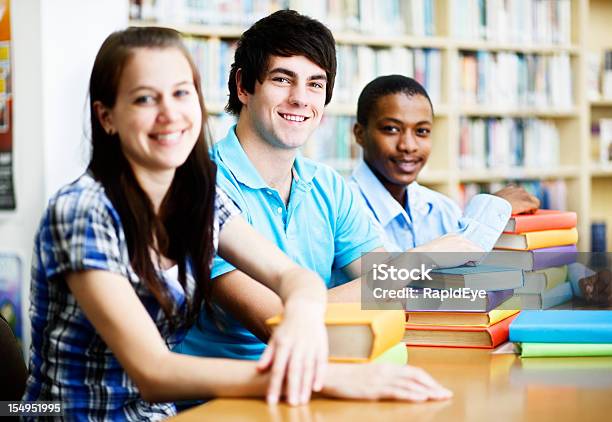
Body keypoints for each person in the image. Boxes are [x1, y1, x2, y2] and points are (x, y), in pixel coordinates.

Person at [22, 27, 451, 420]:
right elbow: (153, 372)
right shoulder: (82, 211)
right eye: (145, 99)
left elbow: (294, 279)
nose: (170, 114)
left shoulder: (195, 197)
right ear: (107, 117)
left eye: (181, 94)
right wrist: (329, 376)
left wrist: (303, 310)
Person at [176, 10, 481, 366]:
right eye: (282, 79)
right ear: (244, 86)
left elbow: (387, 290)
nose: (300, 98)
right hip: (221, 398)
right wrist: (420, 260)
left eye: (315, 84)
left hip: (317, 375)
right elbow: (277, 323)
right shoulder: (203, 187)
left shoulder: (328, 187)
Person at [350, 75, 540, 253]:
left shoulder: (442, 208)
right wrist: (491, 210)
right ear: (360, 134)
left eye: (422, 131)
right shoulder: (345, 206)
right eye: (391, 129)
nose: (408, 146)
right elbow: (390, 279)